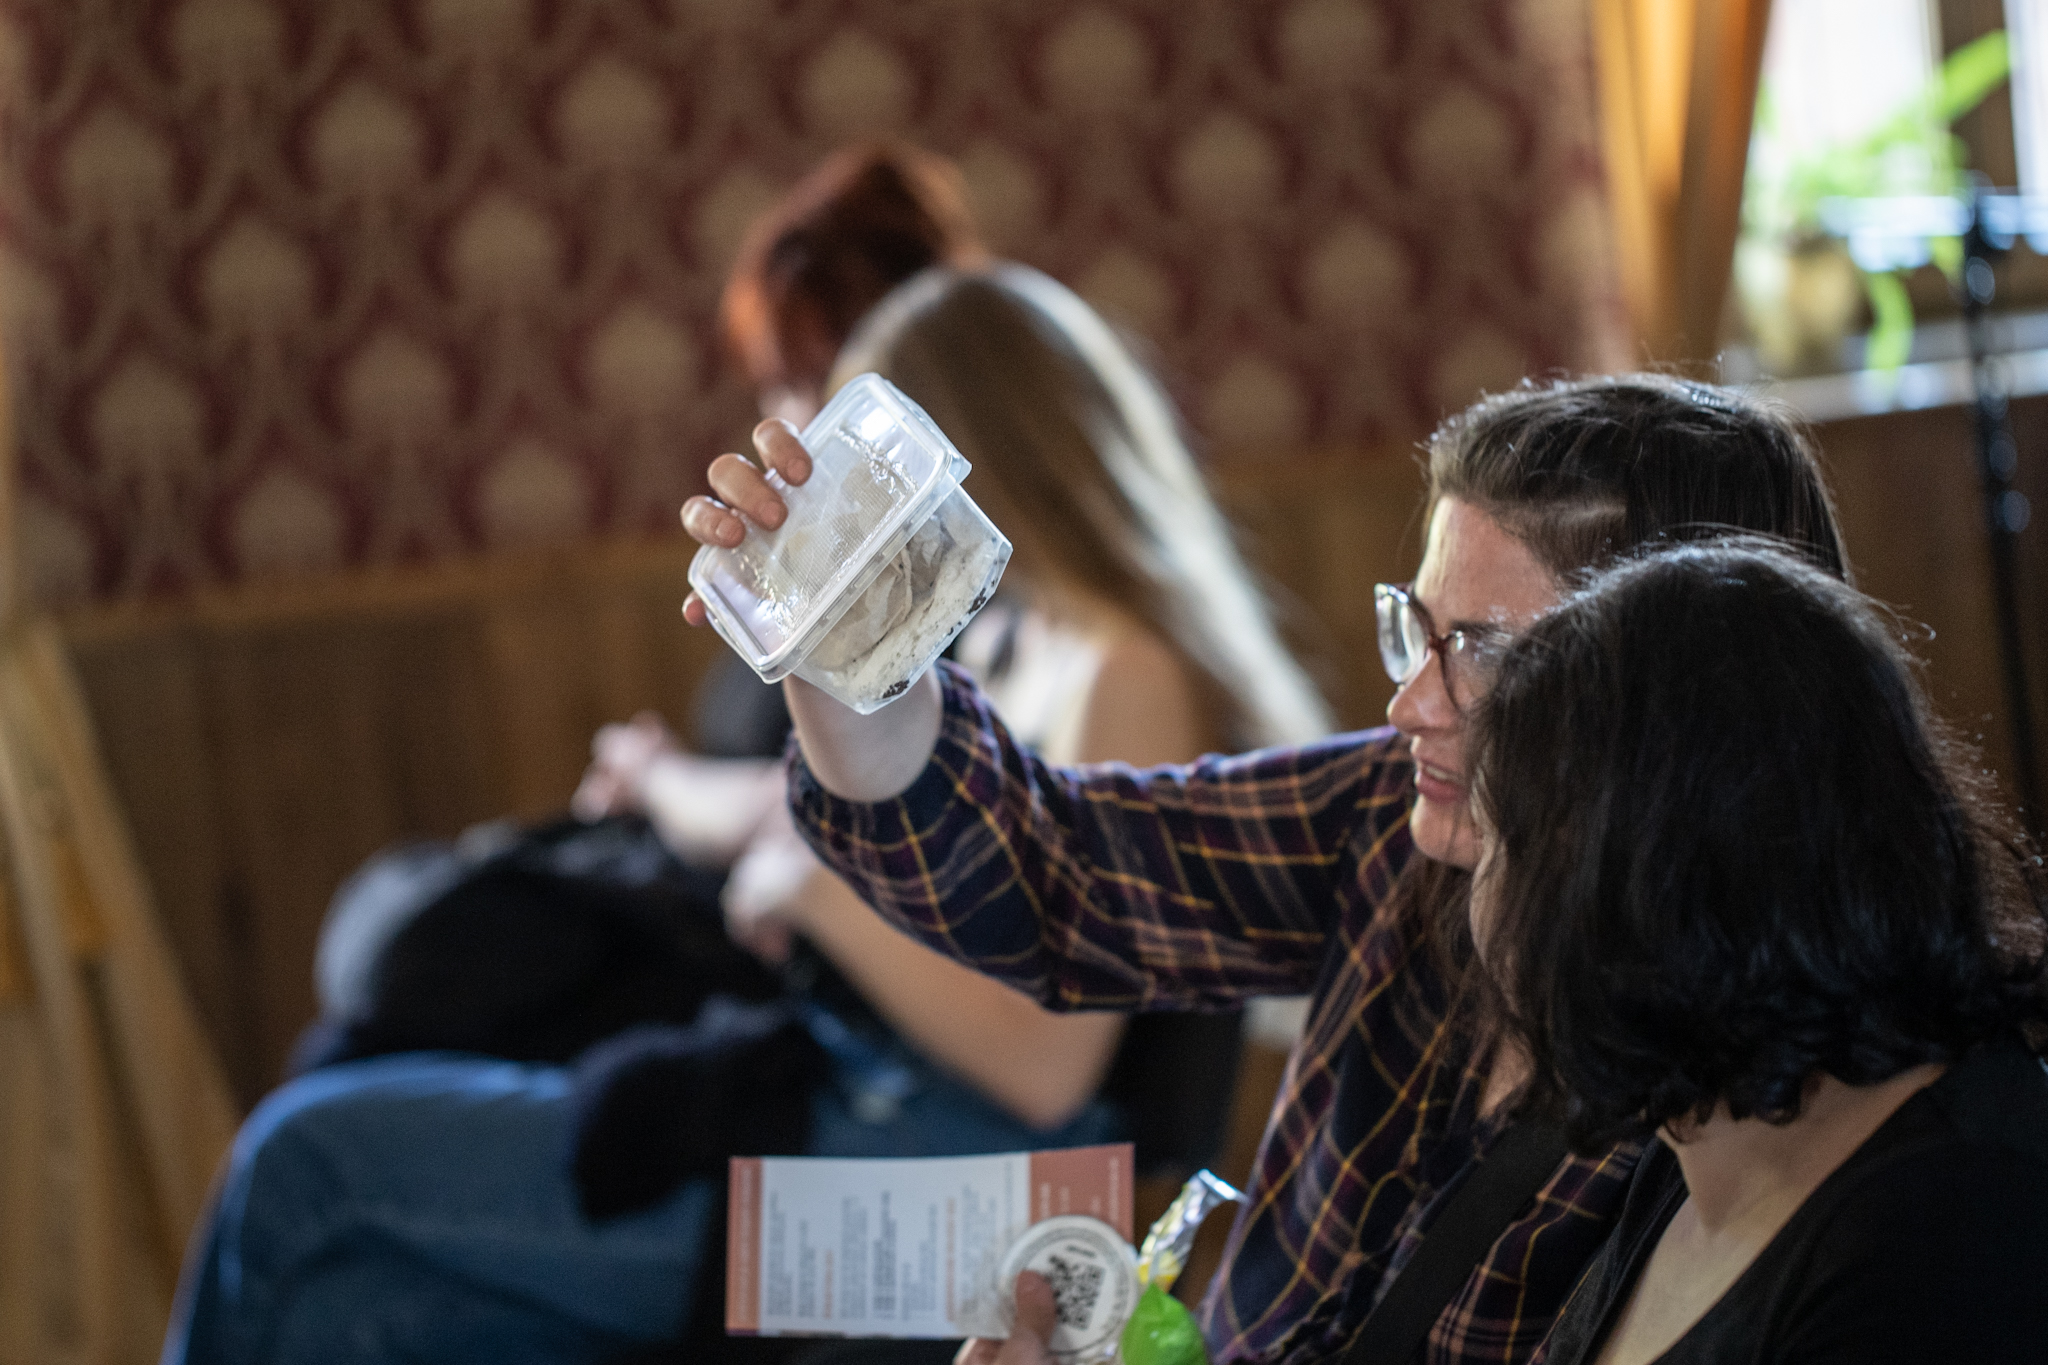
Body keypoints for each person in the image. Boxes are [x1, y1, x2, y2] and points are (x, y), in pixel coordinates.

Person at [160, 256, 1331, 1363]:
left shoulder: (1125, 669)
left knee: (303, 1157)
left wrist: (811, 890)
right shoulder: (1013, 637)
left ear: (974, 445)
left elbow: (1046, 1064)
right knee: (346, 1314)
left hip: (965, 1179)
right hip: (861, 1093)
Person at [684, 375, 1855, 1364]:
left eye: (1485, 655)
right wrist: (835, 639)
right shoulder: (1396, 814)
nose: (1409, 704)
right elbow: (1050, 872)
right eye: (1417, 632)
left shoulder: (1787, 1089)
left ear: (1693, 694)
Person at [1457, 541, 2048, 1364]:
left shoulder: (1948, 1236)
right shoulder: (1702, 1123)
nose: (1476, 891)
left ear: (1642, 879)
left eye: (1495, 840)